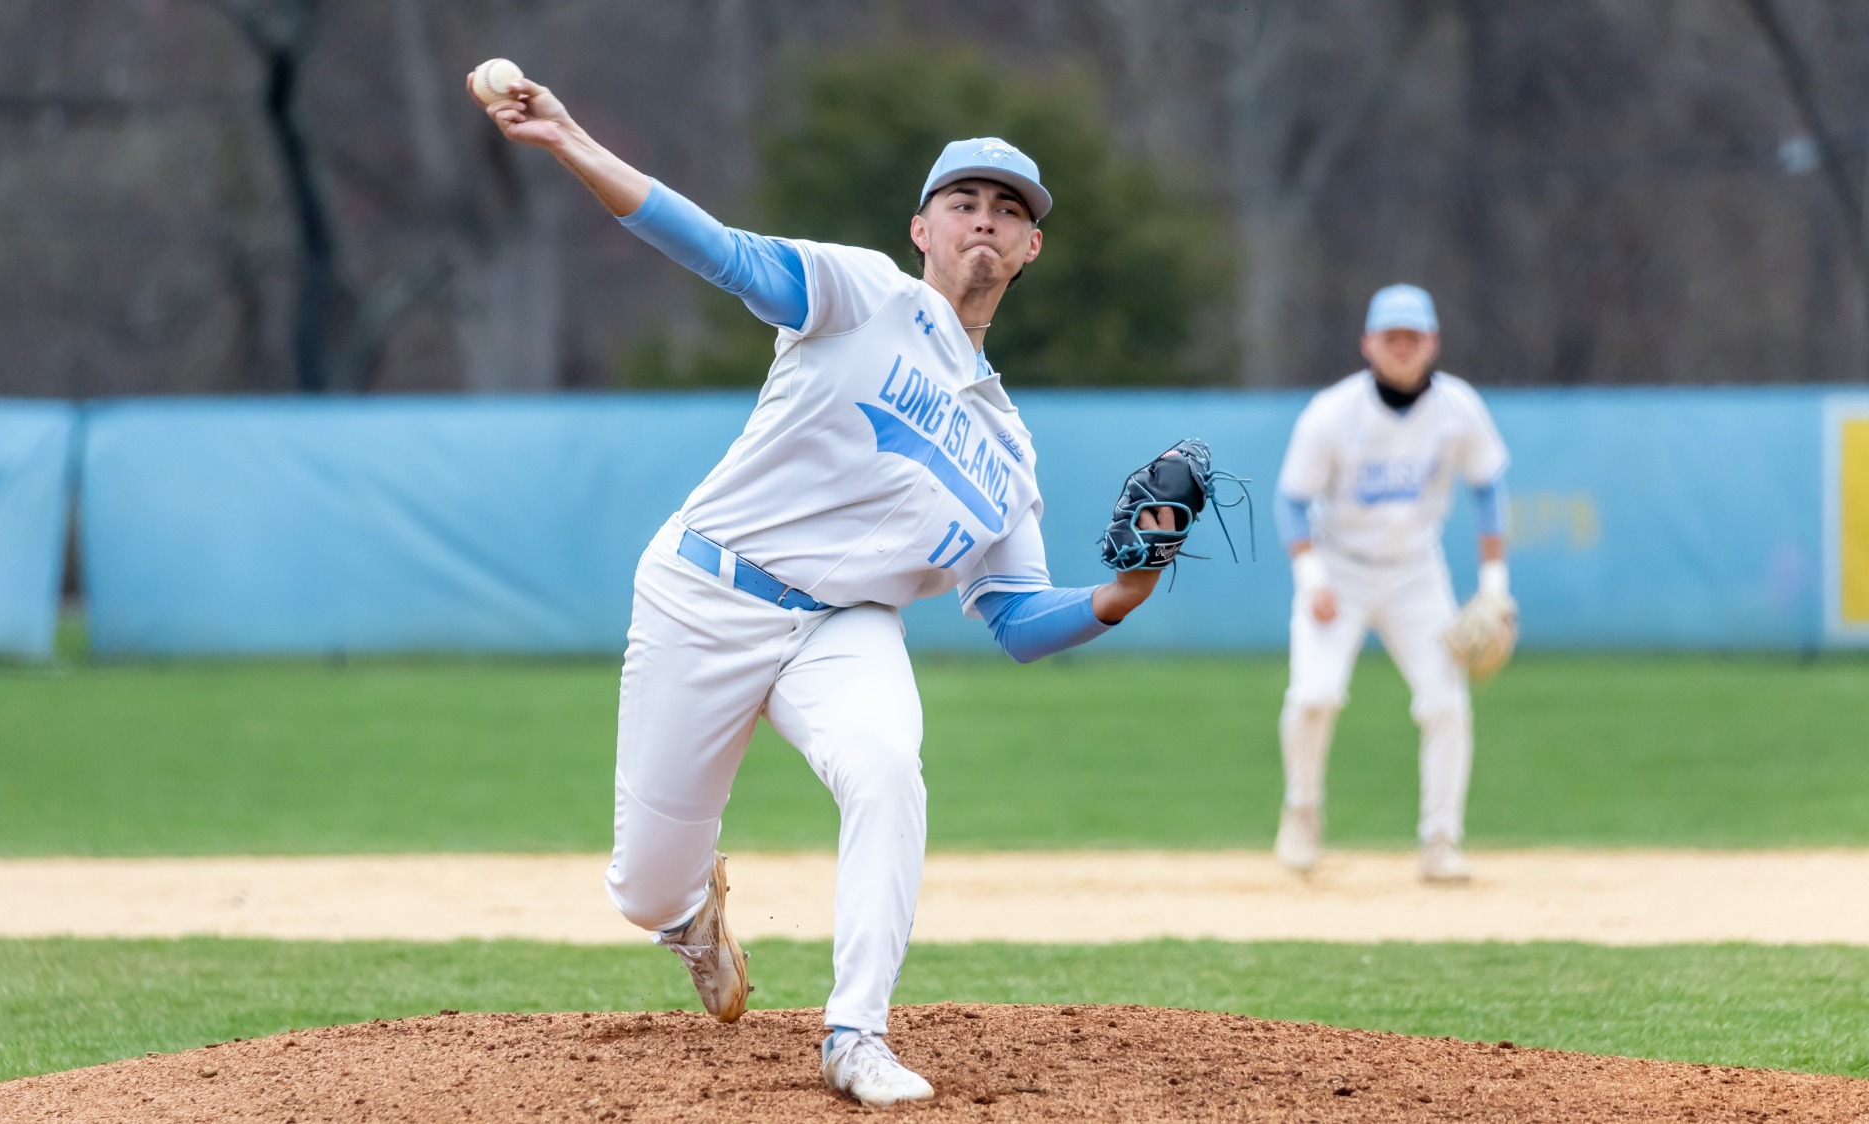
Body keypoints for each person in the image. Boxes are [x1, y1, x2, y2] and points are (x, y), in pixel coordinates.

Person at [471, 74, 1182, 1105]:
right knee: (641, 887)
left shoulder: (1006, 452)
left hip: (842, 626)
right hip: (704, 592)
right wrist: (574, 141)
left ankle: (855, 1034)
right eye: (964, 202)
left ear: (1030, 250)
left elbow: (1018, 620)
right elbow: (717, 249)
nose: (986, 219)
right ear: (920, 230)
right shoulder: (862, 295)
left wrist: (1121, 592)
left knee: (889, 765)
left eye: (1010, 210)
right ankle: (687, 914)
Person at [1272, 284, 1510, 883]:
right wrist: (1311, 575)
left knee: (1446, 705)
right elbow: (1292, 501)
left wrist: (1494, 582)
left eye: (1413, 337)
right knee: (1313, 698)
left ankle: (1440, 843)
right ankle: (1302, 815)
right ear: (1368, 344)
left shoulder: (1458, 407)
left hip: (1415, 573)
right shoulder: (1333, 412)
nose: (1402, 349)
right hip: (1340, 568)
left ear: (1432, 342)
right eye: (1391, 338)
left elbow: (1489, 485)